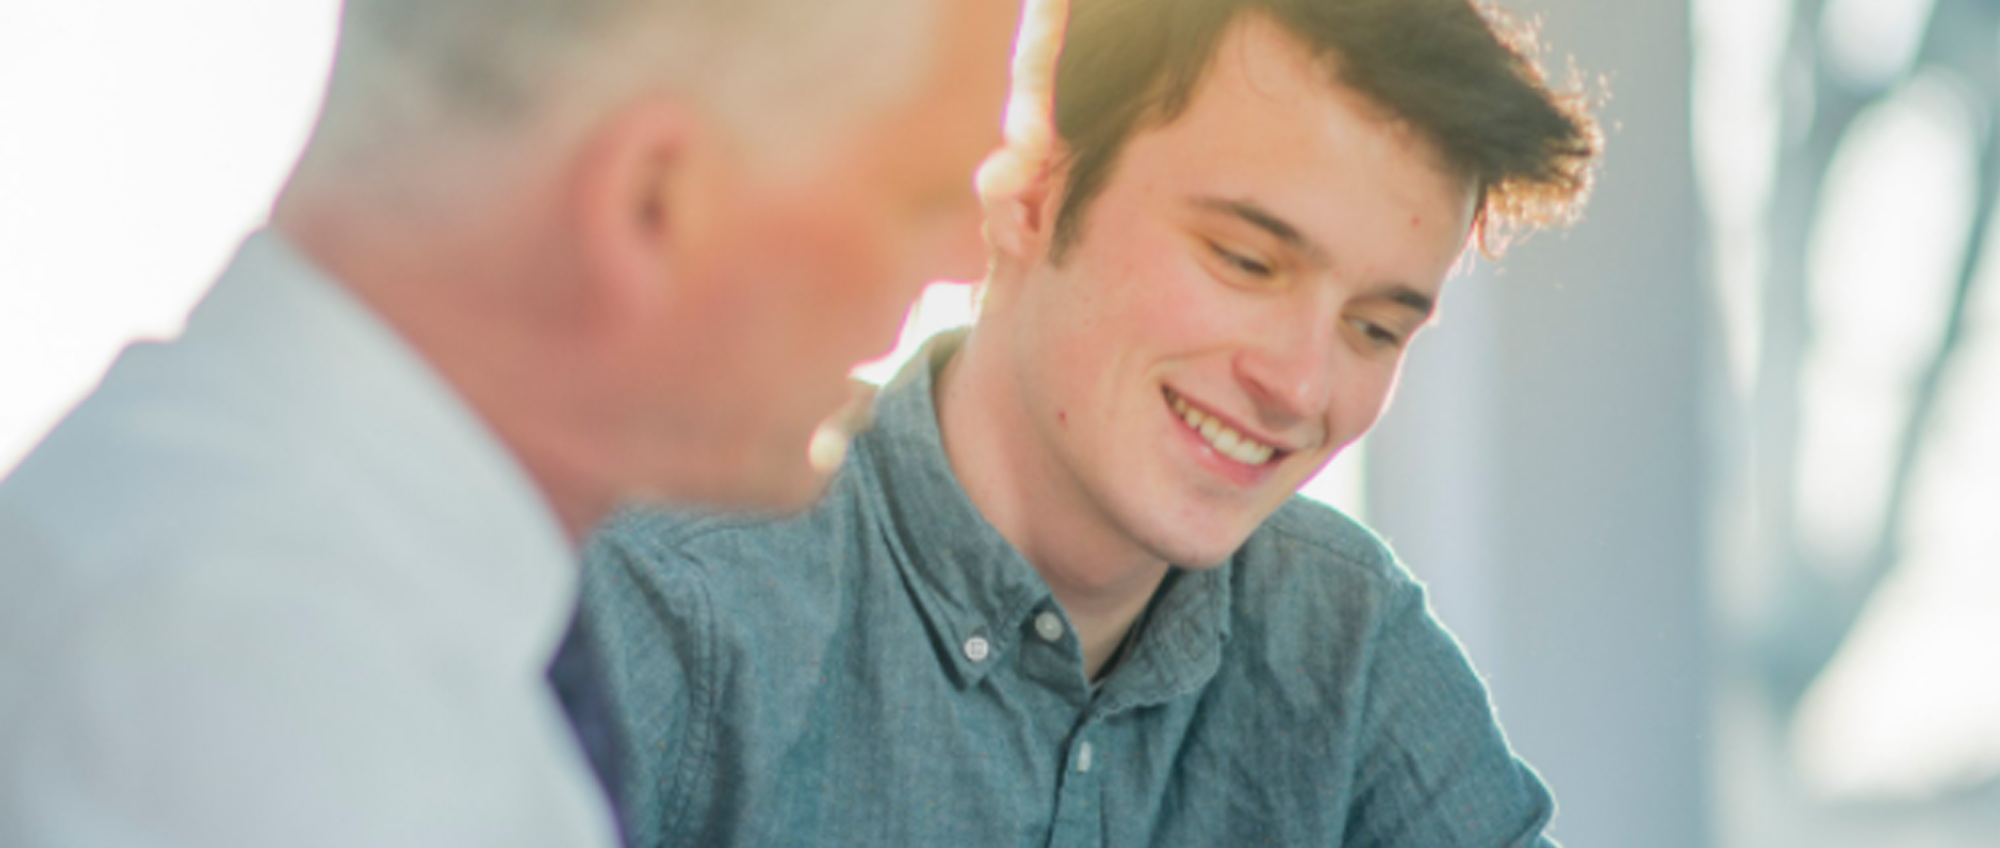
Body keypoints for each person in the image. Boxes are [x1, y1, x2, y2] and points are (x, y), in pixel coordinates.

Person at [0, 0, 1026, 845]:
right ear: (651, 201)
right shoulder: (283, 716)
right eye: (921, 194)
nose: (968, 265)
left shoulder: (251, 573)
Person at [579, 0, 1602, 844]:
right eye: (1244, 261)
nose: (1299, 385)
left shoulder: (1346, 643)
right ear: (1025, 191)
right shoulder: (680, 605)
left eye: (1374, 327)